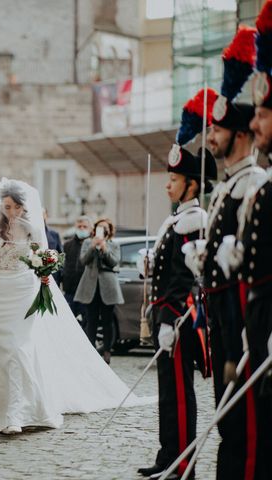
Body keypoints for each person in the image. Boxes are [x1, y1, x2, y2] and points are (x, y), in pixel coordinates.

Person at [0, 178, 150, 435]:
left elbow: (44, 255)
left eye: (15, 207)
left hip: (23, 290)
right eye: (6, 207)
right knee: (1, 348)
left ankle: (16, 412)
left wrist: (44, 269)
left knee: (19, 348)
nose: (11, 212)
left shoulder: (32, 227)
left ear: (22, 207)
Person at [138, 87, 218, 480]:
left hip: (180, 319)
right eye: (169, 177)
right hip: (164, 317)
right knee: (167, 394)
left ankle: (183, 461)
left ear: (191, 184)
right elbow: (167, 268)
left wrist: (170, 319)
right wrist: (148, 264)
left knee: (180, 395)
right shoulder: (174, 221)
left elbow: (187, 278)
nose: (168, 184)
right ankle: (167, 454)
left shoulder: (194, 220)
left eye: (175, 178)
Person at [201, 25, 266, 480]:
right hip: (226, 312)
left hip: (244, 314)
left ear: (238, 134)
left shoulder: (253, 183)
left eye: (218, 129)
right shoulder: (229, 187)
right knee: (228, 413)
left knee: (248, 419)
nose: (210, 137)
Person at [74, 218, 123, 364]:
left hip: (108, 286)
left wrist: (104, 248)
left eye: (105, 228)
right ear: (95, 230)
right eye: (99, 227)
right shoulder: (88, 243)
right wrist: (93, 246)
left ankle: (107, 351)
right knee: (91, 320)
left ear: (109, 231)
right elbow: (83, 260)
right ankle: (90, 352)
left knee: (107, 321)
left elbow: (114, 262)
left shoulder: (114, 245)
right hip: (91, 285)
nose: (102, 230)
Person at [61, 215, 91, 329]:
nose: (82, 229)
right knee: (67, 322)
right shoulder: (68, 245)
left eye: (85, 226)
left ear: (90, 228)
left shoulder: (92, 244)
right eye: (79, 226)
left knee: (85, 322)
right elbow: (63, 264)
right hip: (70, 291)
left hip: (86, 292)